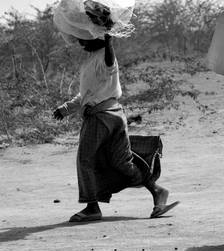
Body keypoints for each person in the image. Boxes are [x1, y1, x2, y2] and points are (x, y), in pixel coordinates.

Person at [53, 33, 179, 222]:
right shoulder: (91, 60)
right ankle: (157, 191)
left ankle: (92, 207)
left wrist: (109, 40)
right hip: (115, 115)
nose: (80, 43)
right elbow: (87, 93)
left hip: (99, 118)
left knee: (86, 160)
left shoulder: (106, 55)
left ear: (96, 37)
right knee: (122, 162)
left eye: (83, 38)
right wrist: (66, 109)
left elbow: (109, 64)